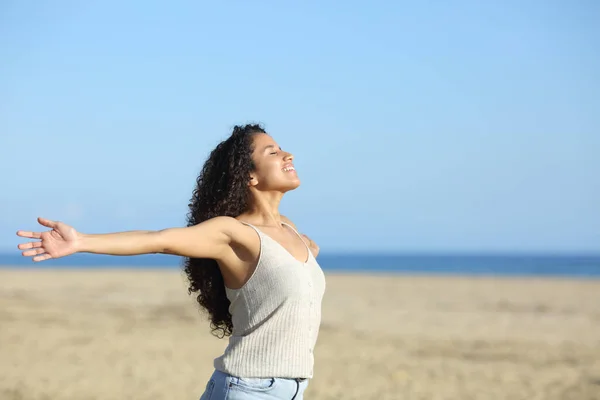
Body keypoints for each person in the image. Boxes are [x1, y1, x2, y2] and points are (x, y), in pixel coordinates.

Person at [16, 124, 326, 400]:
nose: (288, 155)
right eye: (273, 151)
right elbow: (159, 239)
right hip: (248, 389)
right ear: (249, 175)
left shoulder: (290, 230)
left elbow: (298, 261)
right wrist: (82, 241)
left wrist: (309, 250)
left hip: (293, 390)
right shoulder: (233, 233)